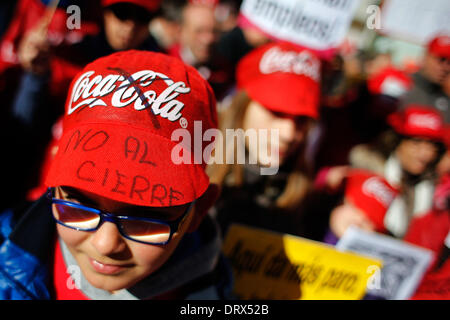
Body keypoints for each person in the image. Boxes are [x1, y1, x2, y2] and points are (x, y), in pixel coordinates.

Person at [0, 50, 232, 300]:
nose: (106, 244)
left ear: (199, 209)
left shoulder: (214, 288)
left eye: (145, 216)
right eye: (78, 204)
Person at [208, 42, 321, 237]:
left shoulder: (299, 194)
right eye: (276, 112)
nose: (289, 133)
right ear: (242, 105)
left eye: (302, 120)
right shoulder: (190, 160)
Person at [341, 105, 447, 238]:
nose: (425, 154)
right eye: (416, 143)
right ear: (397, 141)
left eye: (432, 146)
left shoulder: (432, 185)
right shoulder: (367, 172)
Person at [399, 34, 450, 123]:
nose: (446, 67)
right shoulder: (400, 85)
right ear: (426, 56)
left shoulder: (446, 100)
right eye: (441, 59)